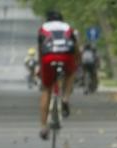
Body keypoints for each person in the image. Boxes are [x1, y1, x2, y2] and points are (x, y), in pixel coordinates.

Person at [37, 10, 80, 140]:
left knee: (46, 90)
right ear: (61, 19)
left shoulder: (43, 28)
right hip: (66, 56)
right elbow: (76, 48)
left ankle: (44, 127)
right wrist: (76, 61)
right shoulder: (67, 27)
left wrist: (40, 67)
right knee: (71, 73)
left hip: (48, 58)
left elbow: (40, 49)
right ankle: (66, 98)